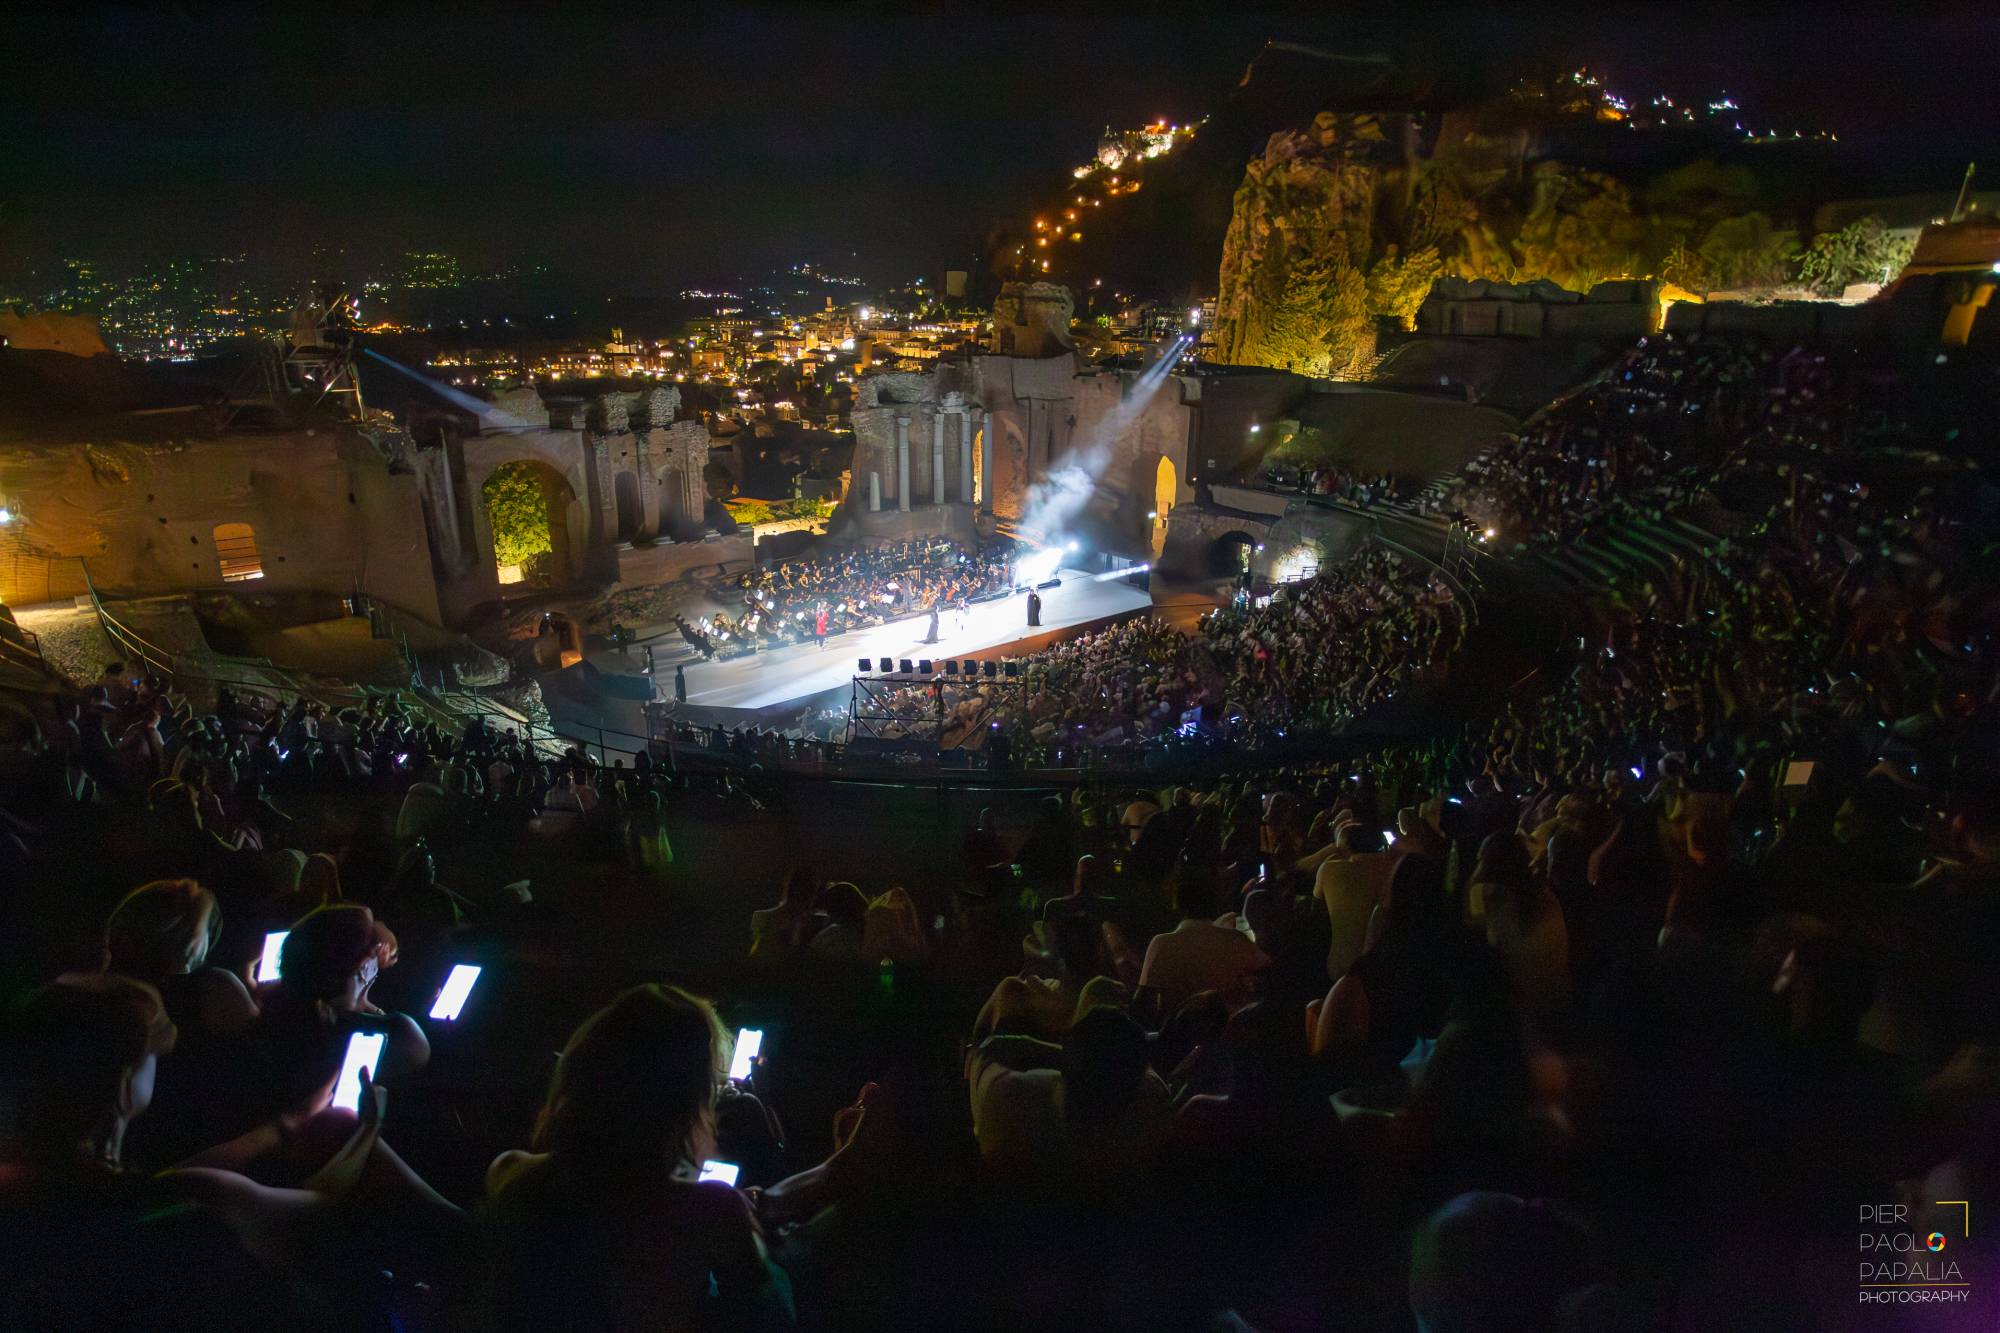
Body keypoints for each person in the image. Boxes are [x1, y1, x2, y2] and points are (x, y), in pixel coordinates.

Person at [475, 984, 792, 1330]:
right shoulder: (711, 1210)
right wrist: (755, 1239)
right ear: (686, 1102)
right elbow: (773, 1319)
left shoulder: (512, 1173)